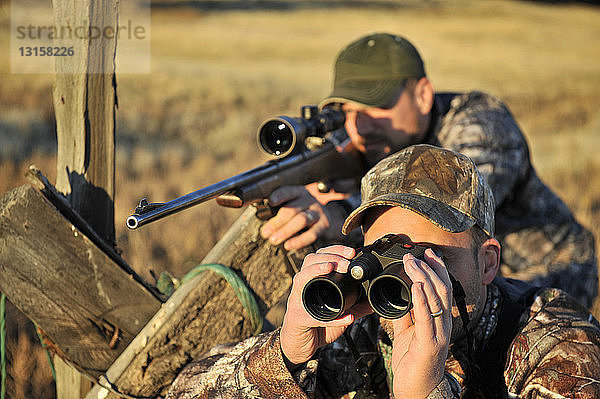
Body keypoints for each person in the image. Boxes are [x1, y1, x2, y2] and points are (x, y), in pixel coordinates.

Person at [166, 145, 600, 398]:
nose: (409, 279)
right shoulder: (365, 328)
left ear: (487, 261)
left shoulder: (560, 345)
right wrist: (286, 355)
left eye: (429, 257)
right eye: (386, 255)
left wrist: (422, 390)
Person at [260, 32, 597, 308]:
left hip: (547, 270)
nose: (359, 126)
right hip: (452, 268)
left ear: (422, 95)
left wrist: (339, 213)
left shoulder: (481, 123)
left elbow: (450, 212)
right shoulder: (375, 139)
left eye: (377, 105)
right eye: (348, 110)